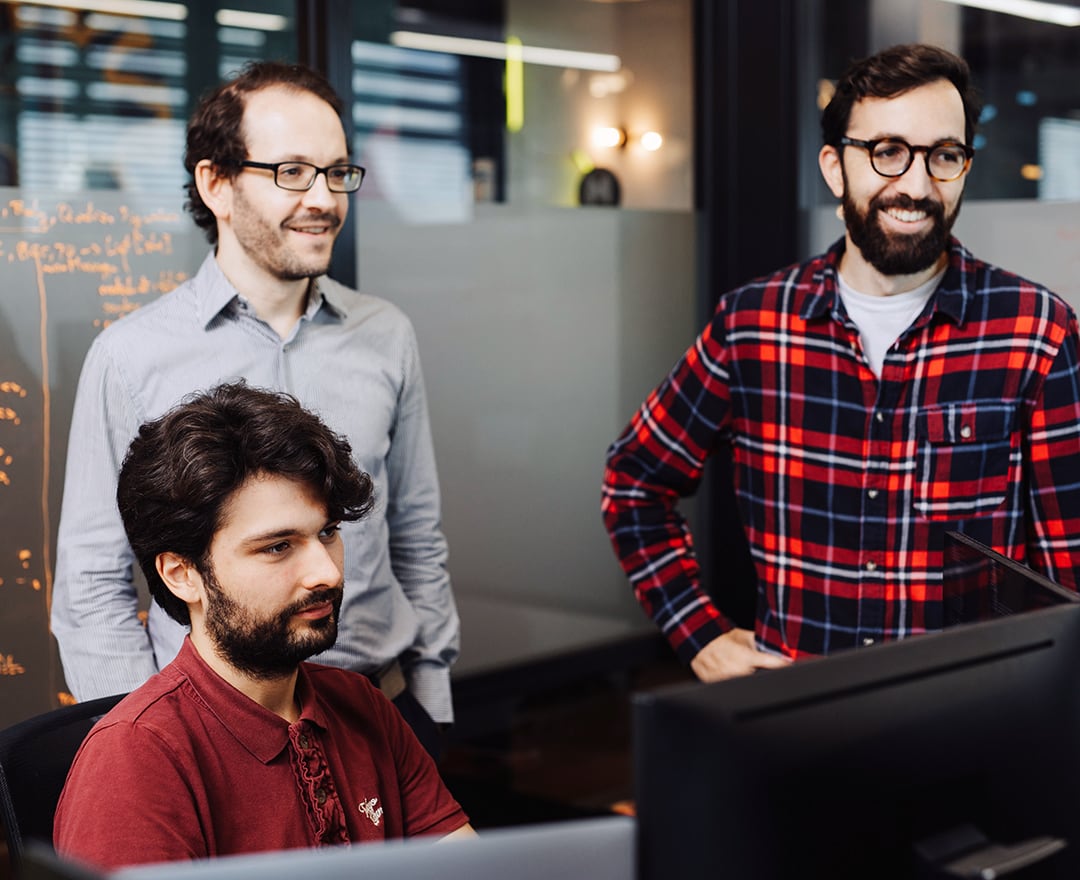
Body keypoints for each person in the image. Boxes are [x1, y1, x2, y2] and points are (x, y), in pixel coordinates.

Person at [602, 43, 1080, 682]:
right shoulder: (753, 326)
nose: (916, 184)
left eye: (944, 156)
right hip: (795, 726)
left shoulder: (1035, 332)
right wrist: (698, 633)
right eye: (887, 152)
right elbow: (634, 481)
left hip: (968, 730)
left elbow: (1067, 578)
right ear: (835, 167)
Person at [51, 61, 458, 752]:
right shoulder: (130, 356)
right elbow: (92, 585)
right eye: (293, 172)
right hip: (212, 736)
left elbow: (416, 533)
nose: (324, 198)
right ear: (217, 184)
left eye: (337, 172)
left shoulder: (385, 333)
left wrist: (433, 699)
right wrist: (141, 743)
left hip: (379, 715)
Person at [53, 383, 473, 870]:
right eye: (278, 546)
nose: (328, 573)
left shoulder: (363, 706)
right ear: (182, 574)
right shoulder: (136, 761)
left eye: (328, 533)